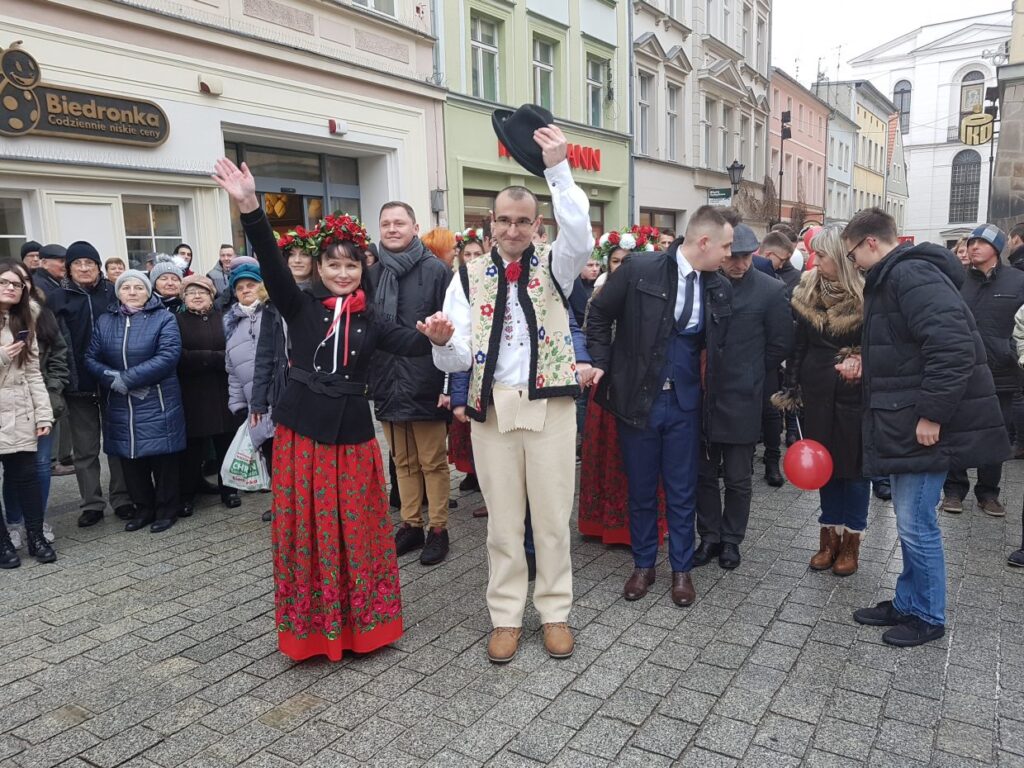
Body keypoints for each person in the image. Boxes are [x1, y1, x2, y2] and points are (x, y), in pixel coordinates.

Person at [213, 156, 433, 662]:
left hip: (354, 434)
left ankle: (364, 629)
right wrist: (249, 206)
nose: (341, 272)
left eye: (351, 264)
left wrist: (439, 338)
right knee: (307, 529)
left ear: (362, 270)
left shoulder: (374, 319)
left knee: (358, 529)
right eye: (333, 263)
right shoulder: (298, 306)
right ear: (319, 267)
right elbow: (269, 259)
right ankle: (314, 632)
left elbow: (415, 346)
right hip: (301, 432)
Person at [421, 125, 593, 663]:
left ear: (537, 225)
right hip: (492, 408)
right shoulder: (467, 276)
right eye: (504, 220)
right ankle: (505, 616)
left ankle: (557, 611)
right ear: (490, 224)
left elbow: (582, 235)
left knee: (550, 516)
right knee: (502, 522)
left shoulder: (558, 265)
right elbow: (458, 352)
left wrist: (558, 169)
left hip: (551, 407)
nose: (513, 228)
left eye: (523, 220)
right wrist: (444, 346)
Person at [845, 207, 1008, 647]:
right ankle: (909, 601)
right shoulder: (898, 276)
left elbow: (951, 348)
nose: (853, 263)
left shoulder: (908, 276)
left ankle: (928, 615)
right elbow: (909, 347)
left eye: (852, 253)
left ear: (871, 244)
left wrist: (932, 414)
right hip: (905, 417)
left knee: (918, 524)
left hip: (923, 421)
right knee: (908, 521)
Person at [587, 206, 733, 607]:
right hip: (639, 400)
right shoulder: (639, 269)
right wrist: (600, 363)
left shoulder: (718, 287)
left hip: (686, 403)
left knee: (683, 490)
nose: (729, 254)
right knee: (641, 488)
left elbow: (719, 349)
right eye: (725, 245)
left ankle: (681, 569)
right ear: (703, 242)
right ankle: (644, 565)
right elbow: (598, 314)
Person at [696, 224, 793, 570]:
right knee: (704, 474)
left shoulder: (770, 290)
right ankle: (708, 536)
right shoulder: (704, 284)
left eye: (744, 256)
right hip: (705, 394)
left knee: (738, 477)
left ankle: (731, 540)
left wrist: (751, 371)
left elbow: (781, 342)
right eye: (732, 256)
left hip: (742, 396)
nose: (738, 263)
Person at [772, 225, 868, 575]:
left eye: (823, 255)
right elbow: (799, 346)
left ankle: (851, 542)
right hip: (816, 389)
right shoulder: (807, 290)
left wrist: (860, 358)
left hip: (853, 391)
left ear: (841, 258)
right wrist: (792, 387)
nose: (815, 260)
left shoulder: (867, 293)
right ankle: (828, 538)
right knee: (825, 466)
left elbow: (881, 346)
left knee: (854, 469)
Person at [368, 201, 452, 566]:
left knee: (432, 461)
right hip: (386, 378)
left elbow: (451, 330)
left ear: (415, 228)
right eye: (385, 223)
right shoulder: (370, 274)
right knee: (402, 460)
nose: (392, 229)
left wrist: (450, 384)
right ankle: (410, 524)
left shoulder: (436, 270)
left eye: (399, 223)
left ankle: (438, 529)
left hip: (425, 378)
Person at [578, 236, 666, 549]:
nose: (621, 267)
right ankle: (602, 521)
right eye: (616, 261)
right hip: (609, 382)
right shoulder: (601, 294)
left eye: (627, 261)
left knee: (640, 459)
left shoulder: (655, 295)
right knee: (606, 454)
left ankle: (639, 525)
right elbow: (591, 334)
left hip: (641, 385)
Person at [87, 270, 186, 533]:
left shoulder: (164, 318)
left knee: (163, 460)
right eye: (126, 287)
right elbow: (91, 357)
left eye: (138, 287)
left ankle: (167, 510)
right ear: (118, 292)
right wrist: (112, 378)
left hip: (158, 400)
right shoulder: (106, 321)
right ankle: (144, 509)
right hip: (120, 403)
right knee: (131, 461)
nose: (132, 292)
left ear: (148, 291)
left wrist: (128, 379)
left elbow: (168, 356)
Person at [941, 224, 1024, 517]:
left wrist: (1012, 354)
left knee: (996, 434)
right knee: (957, 430)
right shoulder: (957, 280)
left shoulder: (1018, 281)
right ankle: (953, 491)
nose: (974, 246)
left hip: (1001, 373)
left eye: (982, 242)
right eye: (972, 241)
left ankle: (988, 493)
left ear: (998, 249)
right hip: (961, 371)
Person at [50, 241, 134, 526]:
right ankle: (92, 504)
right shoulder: (58, 299)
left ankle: (122, 498)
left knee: (117, 445)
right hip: (78, 385)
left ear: (99, 267)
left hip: (113, 382)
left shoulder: (114, 293)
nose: (84, 268)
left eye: (90, 263)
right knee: (85, 450)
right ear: (69, 269)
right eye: (78, 264)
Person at [1, 263, 67, 549]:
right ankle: (4, 542)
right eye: (5, 282)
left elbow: (33, 374)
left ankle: (36, 536)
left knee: (27, 475)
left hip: (21, 409)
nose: (11, 288)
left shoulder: (25, 322)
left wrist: (44, 414)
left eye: (17, 285)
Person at [176, 274, 241, 516]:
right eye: (191, 292)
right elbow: (179, 356)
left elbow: (235, 350)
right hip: (192, 393)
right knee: (192, 450)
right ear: (183, 297)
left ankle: (230, 491)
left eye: (201, 291)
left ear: (211, 295)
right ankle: (187, 496)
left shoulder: (225, 318)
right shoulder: (177, 321)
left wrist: (203, 357)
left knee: (226, 443)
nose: (196, 296)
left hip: (224, 390)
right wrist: (214, 357)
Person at [224, 262, 278, 478]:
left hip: (281, 400)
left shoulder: (273, 312)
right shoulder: (232, 325)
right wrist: (237, 405)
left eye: (251, 284)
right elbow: (233, 372)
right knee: (270, 458)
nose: (245, 290)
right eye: (240, 287)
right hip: (256, 406)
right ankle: (278, 505)